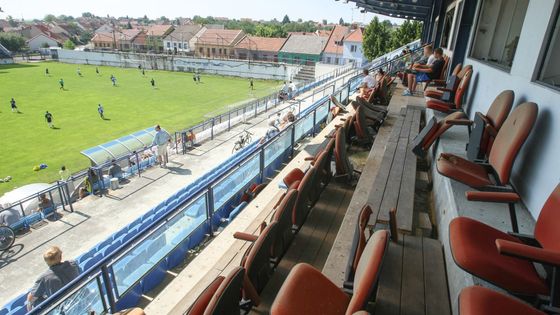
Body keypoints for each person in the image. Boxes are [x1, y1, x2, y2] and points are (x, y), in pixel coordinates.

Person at [26, 246, 79, 311]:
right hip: (80, 296)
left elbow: (30, 298)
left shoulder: (44, 277)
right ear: (60, 257)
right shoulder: (72, 263)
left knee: (33, 301)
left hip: (64, 308)